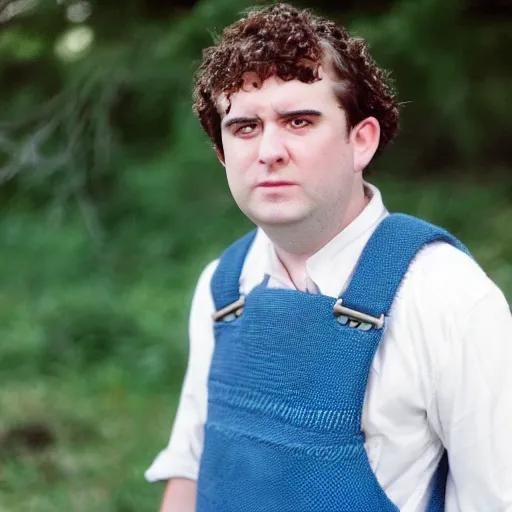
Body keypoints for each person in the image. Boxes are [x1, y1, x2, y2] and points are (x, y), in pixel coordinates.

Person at [145, 3, 512, 511]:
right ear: (223, 154)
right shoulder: (222, 288)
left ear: (360, 141)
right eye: (245, 127)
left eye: (298, 121)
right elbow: (189, 471)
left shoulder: (450, 300)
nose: (269, 150)